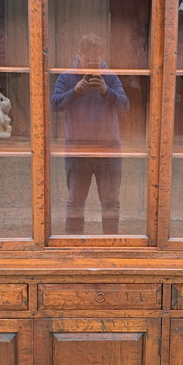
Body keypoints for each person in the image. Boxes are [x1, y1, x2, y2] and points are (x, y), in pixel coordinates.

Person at [51, 34, 129, 234]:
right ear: (80, 55)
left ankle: (110, 246)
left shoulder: (109, 76)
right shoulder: (66, 76)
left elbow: (125, 105)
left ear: (100, 57)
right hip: (78, 152)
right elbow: (54, 104)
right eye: (88, 61)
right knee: (75, 203)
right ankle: (74, 248)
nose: (92, 67)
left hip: (108, 152)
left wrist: (106, 91)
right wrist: (75, 92)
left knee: (110, 203)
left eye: (96, 62)